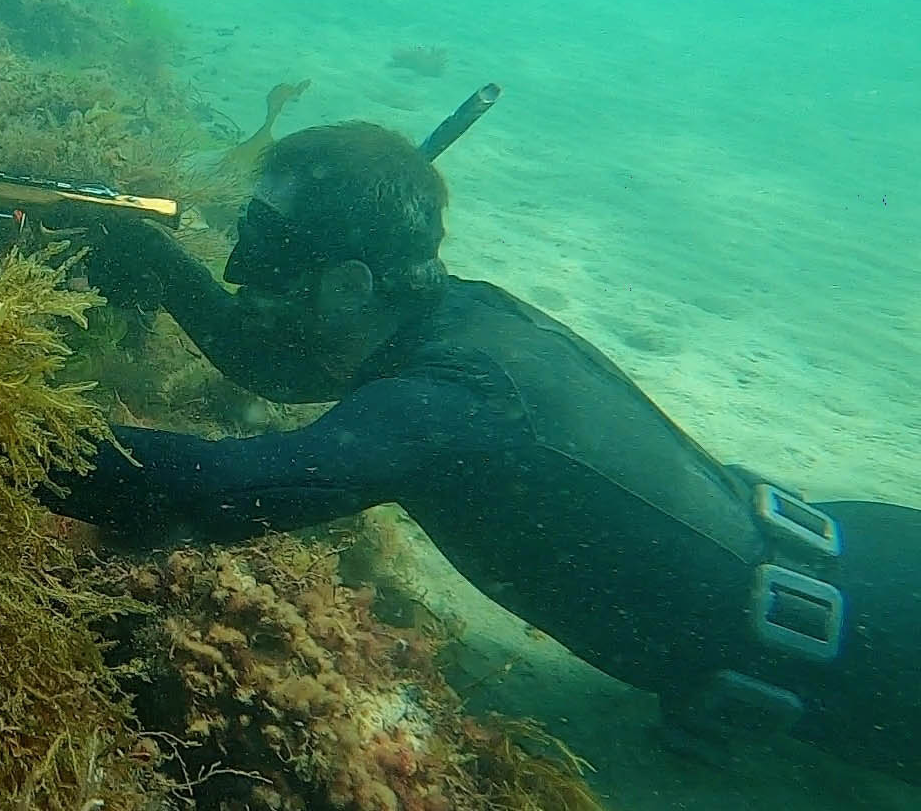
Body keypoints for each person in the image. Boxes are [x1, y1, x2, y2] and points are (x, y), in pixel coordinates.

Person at [51, 120, 921, 784]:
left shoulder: (451, 403)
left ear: (353, 280)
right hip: (858, 551)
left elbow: (214, 489)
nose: (242, 269)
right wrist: (161, 267)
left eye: (269, 251)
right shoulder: (451, 317)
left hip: (877, 657)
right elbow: (287, 361)